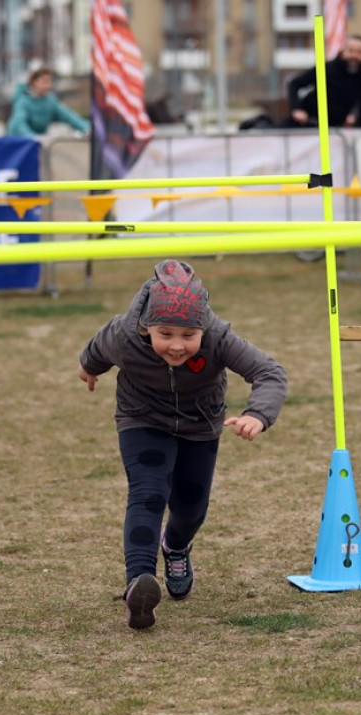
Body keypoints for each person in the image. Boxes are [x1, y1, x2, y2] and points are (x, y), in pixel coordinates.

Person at [77, 260, 288, 630]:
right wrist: (88, 369)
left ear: (203, 328)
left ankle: (175, 547)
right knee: (148, 493)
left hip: (200, 424)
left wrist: (258, 414)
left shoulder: (219, 337)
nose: (177, 345)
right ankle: (139, 583)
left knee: (191, 506)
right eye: (166, 333)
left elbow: (269, 372)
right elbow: (95, 350)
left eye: (188, 335)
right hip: (142, 419)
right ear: (146, 327)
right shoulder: (125, 335)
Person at [286, 34, 361, 128]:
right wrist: (297, 109)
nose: (354, 56)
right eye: (351, 51)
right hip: (306, 126)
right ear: (343, 51)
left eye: (359, 52)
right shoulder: (326, 69)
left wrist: (356, 122)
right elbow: (294, 84)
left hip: (336, 131)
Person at [7, 66, 89, 138]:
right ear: (34, 82)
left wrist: (87, 128)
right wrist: (32, 137)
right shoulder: (23, 101)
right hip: (19, 142)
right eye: (45, 81)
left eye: (50, 81)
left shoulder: (50, 101)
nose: (48, 85)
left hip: (38, 141)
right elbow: (19, 123)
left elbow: (68, 116)